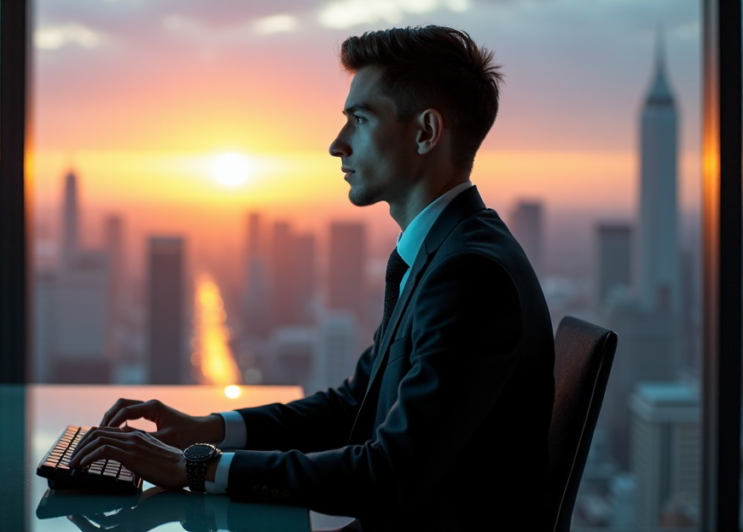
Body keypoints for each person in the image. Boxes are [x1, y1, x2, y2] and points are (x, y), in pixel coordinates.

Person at [70, 25, 555, 531]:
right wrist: (209, 429)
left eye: (360, 119)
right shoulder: (447, 252)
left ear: (426, 132)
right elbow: (355, 406)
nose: (336, 145)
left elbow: (389, 474)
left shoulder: (469, 276)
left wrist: (196, 466)